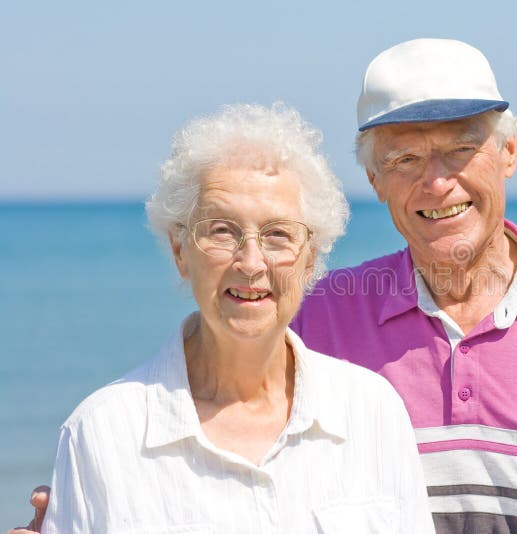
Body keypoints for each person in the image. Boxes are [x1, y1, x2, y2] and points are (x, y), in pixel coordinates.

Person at [13, 39, 517, 533]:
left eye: (462, 148)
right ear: (374, 181)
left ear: (508, 154)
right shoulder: (315, 315)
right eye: (405, 157)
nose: (437, 182)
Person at [16, 103, 434, 533]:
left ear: (310, 260)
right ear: (181, 251)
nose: (251, 263)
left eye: (277, 235)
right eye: (221, 230)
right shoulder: (102, 433)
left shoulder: (372, 413)